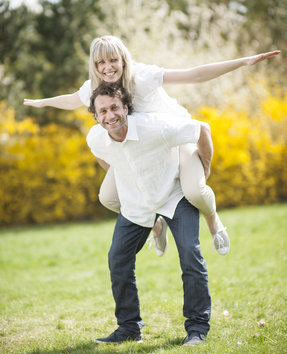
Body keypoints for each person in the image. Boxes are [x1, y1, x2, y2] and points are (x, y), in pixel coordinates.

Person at [23, 35, 280, 257]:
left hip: (174, 140)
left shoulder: (143, 76)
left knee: (194, 191)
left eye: (113, 59)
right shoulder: (94, 87)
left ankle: (214, 221)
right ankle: (157, 226)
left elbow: (195, 74)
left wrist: (243, 62)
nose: (107, 67)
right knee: (109, 197)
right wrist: (41, 102)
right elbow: (71, 100)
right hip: (138, 149)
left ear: (123, 59)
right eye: (100, 62)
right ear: (94, 65)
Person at [87, 83, 213, 345]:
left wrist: (204, 170)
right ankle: (129, 327)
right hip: (137, 205)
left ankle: (197, 328)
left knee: (190, 253)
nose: (110, 115)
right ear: (96, 116)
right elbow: (102, 155)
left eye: (114, 108)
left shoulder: (153, 126)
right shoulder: (95, 138)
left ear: (126, 108)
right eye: (103, 111)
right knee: (118, 259)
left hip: (173, 197)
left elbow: (201, 129)